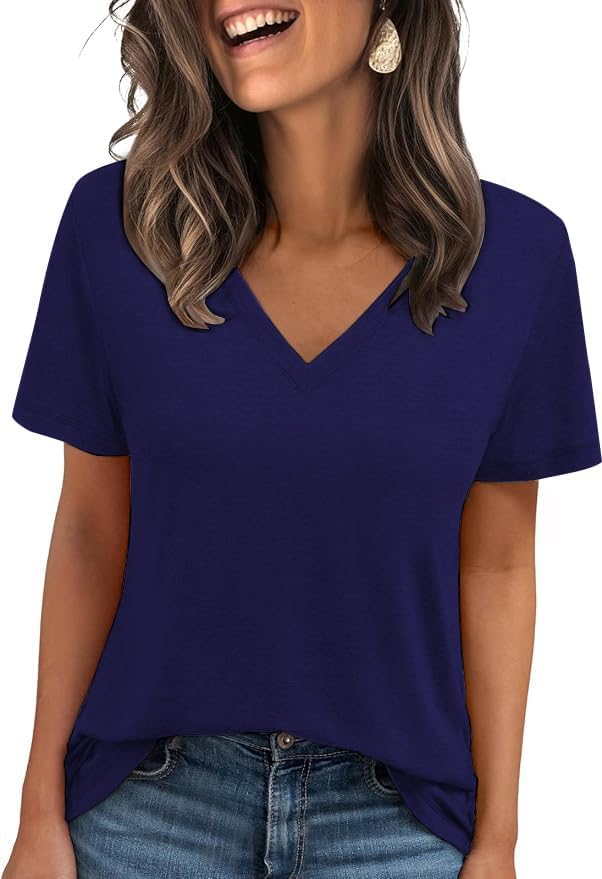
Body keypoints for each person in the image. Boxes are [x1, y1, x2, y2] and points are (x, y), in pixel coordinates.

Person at [3, 1, 601, 877]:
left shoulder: (518, 258)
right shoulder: (122, 225)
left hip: (398, 827)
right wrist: (37, 810)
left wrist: (498, 840)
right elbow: (93, 530)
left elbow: (498, 564)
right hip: (148, 816)